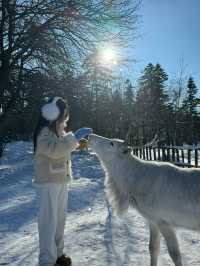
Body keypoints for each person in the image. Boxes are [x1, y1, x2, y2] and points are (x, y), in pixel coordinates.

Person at [33, 96, 92, 266]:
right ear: (54, 113)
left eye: (66, 113)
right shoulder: (43, 132)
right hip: (47, 183)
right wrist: (74, 138)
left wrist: (76, 144)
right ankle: (46, 261)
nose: (65, 116)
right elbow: (54, 150)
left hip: (60, 181)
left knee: (59, 221)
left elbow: (63, 148)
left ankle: (57, 255)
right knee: (48, 224)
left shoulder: (59, 130)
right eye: (63, 113)